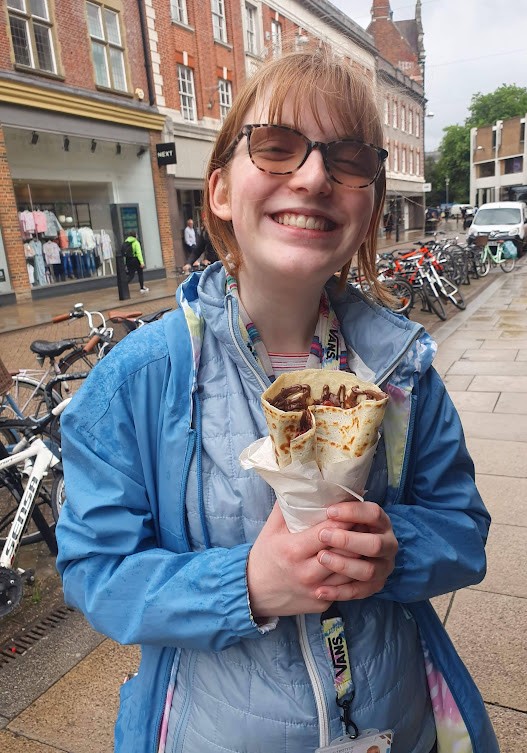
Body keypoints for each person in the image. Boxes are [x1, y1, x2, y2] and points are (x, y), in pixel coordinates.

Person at [56, 49, 498, 753]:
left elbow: (463, 533)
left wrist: (396, 551)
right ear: (222, 190)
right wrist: (247, 583)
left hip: (397, 722)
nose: (316, 175)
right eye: (276, 147)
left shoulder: (402, 371)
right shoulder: (138, 380)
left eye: (349, 159)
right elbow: (95, 571)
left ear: (370, 204)